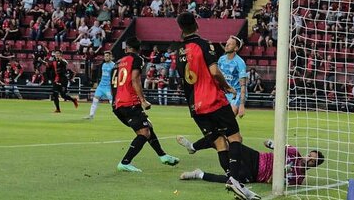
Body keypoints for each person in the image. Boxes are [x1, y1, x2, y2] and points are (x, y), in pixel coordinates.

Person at [175, 12, 259, 200]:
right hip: (213, 100)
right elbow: (214, 72)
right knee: (235, 137)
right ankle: (235, 180)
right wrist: (227, 87)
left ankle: (232, 178)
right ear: (196, 24)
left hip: (194, 106)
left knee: (220, 143)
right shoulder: (205, 44)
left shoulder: (178, 50)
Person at [111, 37, 179, 173]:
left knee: (148, 126)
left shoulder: (117, 62)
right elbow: (135, 79)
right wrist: (142, 100)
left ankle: (163, 155)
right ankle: (125, 162)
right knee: (144, 132)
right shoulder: (137, 59)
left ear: (126, 48)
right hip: (129, 102)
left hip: (117, 103)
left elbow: (114, 83)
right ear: (138, 49)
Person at [176, 35, 248, 153]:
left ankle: (194, 147)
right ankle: (195, 147)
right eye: (226, 43)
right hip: (222, 94)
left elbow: (243, 85)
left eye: (230, 44)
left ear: (236, 48)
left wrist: (242, 104)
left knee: (228, 132)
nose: (227, 45)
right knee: (222, 134)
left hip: (235, 95)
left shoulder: (240, 62)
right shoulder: (221, 59)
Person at [180, 139, 324, 189]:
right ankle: (193, 147)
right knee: (225, 141)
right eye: (310, 155)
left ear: (314, 166)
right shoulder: (294, 151)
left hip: (254, 174)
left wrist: (284, 171)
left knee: (232, 181)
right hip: (256, 157)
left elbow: (270, 181)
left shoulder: (298, 179)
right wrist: (272, 144)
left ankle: (198, 174)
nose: (308, 158)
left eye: (312, 160)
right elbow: (269, 143)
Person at [84, 51, 115, 120]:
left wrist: (112, 86)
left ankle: (119, 115)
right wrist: (97, 83)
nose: (106, 57)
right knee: (95, 100)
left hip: (108, 87)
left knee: (112, 102)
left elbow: (115, 77)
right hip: (101, 86)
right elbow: (100, 75)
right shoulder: (103, 65)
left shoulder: (113, 65)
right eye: (105, 56)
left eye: (107, 56)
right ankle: (91, 115)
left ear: (110, 57)